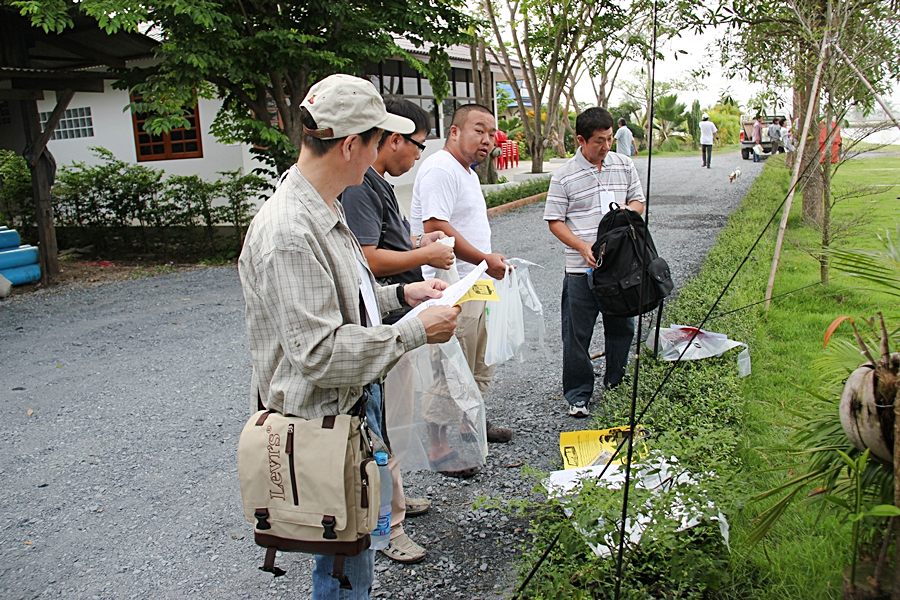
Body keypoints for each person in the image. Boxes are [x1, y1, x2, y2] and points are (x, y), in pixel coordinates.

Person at [238, 73, 461, 599]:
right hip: (321, 422)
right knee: (341, 559)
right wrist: (411, 332)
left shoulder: (328, 205)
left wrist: (400, 299)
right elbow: (319, 354)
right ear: (349, 144)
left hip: (351, 407)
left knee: (355, 546)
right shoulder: (290, 232)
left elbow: (343, 302)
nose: (384, 152)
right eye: (379, 141)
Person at [340, 97, 454, 565]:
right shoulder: (359, 187)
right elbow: (366, 257)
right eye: (418, 147)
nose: (418, 157)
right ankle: (392, 525)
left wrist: (415, 244)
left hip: (397, 313)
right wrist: (423, 258)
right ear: (391, 139)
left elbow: (386, 241)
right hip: (381, 328)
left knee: (397, 421)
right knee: (381, 431)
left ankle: (399, 501)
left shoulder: (378, 184)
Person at [410, 103, 514, 453]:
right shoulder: (441, 168)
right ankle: (438, 444)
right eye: (478, 130)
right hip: (450, 285)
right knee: (449, 365)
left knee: (478, 360)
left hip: (476, 281)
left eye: (490, 133)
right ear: (454, 132)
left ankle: (473, 423)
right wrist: (485, 259)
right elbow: (436, 228)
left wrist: (487, 262)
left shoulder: (465, 171)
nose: (487, 140)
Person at [543, 107, 646, 418]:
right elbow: (555, 220)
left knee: (622, 327)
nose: (606, 146)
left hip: (620, 268)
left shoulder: (624, 165)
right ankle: (578, 395)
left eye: (610, 139)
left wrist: (626, 218)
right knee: (576, 334)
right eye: (599, 141)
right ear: (580, 140)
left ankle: (615, 383)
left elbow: (638, 201)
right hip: (580, 268)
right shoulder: (564, 175)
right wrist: (582, 246)